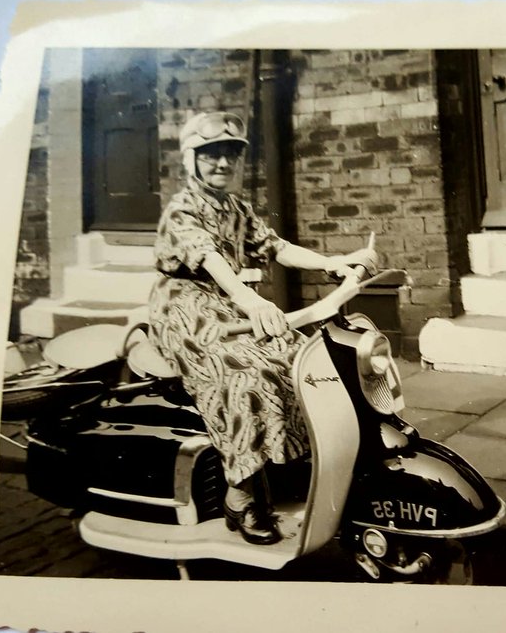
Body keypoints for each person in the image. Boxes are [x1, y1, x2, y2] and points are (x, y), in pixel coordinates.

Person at [148, 111, 376, 545]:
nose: (222, 164)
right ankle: (240, 495)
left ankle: (296, 465)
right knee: (241, 371)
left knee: (300, 354)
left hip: (227, 303)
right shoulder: (181, 211)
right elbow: (211, 260)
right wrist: (251, 301)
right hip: (185, 308)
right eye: (211, 155)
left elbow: (277, 248)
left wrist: (332, 262)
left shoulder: (236, 208)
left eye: (230, 156)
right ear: (191, 160)